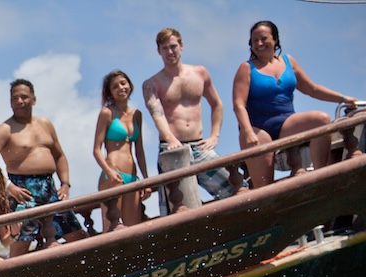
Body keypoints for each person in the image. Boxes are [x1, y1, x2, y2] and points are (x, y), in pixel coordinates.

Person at [232, 20, 359, 189]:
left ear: (275, 39)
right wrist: (248, 132)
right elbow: (238, 104)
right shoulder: (246, 68)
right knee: (264, 185)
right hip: (257, 128)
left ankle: (322, 177)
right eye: (255, 40)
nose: (259, 43)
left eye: (263, 38)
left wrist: (342, 98)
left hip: (285, 123)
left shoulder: (288, 61)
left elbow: (311, 88)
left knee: (321, 119)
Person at [0, 79, 85, 256]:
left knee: (79, 238)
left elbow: (59, 155)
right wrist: (7, 186)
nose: (19, 101)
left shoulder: (45, 124)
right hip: (22, 191)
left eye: (24, 97)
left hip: (50, 189)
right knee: (20, 247)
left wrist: (65, 183)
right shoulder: (5, 129)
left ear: (33, 99)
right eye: (14, 98)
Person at [143, 27, 244, 212]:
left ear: (181, 46)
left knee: (237, 188)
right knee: (178, 208)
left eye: (173, 46)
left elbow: (217, 105)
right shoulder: (152, 84)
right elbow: (157, 114)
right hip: (171, 149)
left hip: (199, 146)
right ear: (159, 51)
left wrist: (215, 136)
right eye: (164, 48)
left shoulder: (200, 73)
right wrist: (171, 139)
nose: (170, 52)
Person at [92, 70, 151, 231]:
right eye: (115, 86)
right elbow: (96, 150)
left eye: (123, 83)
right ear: (110, 92)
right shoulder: (107, 113)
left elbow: (139, 151)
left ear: (130, 85)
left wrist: (146, 180)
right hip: (112, 174)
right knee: (112, 228)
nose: (121, 88)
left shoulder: (136, 114)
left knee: (133, 229)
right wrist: (108, 172)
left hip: (132, 176)